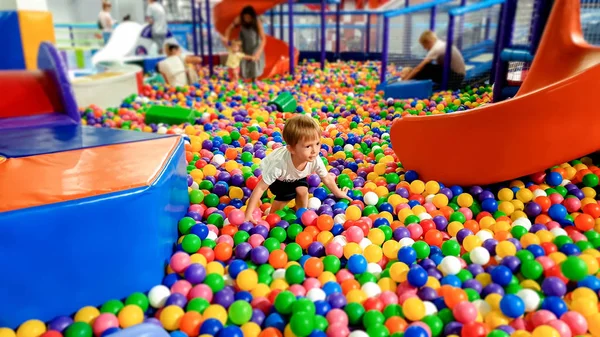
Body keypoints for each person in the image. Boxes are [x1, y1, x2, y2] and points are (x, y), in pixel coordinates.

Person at [244, 115, 351, 223]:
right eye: (308, 146)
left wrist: (338, 193)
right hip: (279, 179)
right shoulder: (279, 165)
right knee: (285, 196)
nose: (314, 150)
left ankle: (301, 214)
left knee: (303, 191)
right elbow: (260, 188)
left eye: (317, 143)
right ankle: (271, 217)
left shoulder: (314, 159)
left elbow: (326, 178)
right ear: (292, 149)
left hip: (296, 175)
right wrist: (248, 213)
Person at [222, 6, 266, 81]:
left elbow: (263, 39)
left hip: (255, 44)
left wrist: (258, 52)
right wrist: (226, 37)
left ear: (252, 17)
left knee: (254, 61)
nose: (247, 19)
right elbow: (229, 28)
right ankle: (241, 79)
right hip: (244, 42)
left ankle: (254, 79)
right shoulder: (239, 19)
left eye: (249, 18)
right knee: (242, 60)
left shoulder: (257, 22)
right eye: (245, 17)